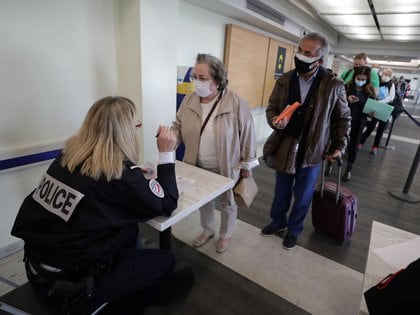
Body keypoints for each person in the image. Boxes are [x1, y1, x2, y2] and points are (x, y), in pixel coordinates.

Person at [11, 96, 193, 314]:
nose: (138, 128)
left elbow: (97, 198)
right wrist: (166, 153)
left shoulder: (67, 158)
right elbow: (167, 203)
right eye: (135, 123)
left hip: (38, 268)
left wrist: (133, 182)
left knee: (129, 230)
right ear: (124, 132)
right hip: (73, 286)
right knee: (165, 261)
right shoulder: (118, 176)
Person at [261, 32, 351, 249]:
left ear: (319, 59)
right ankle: (278, 222)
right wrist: (274, 120)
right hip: (285, 145)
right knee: (281, 191)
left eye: (307, 53)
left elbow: (343, 118)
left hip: (313, 150)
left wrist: (339, 146)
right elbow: (272, 107)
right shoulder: (285, 79)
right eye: (300, 50)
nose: (301, 55)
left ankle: (294, 230)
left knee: (302, 197)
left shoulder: (333, 85)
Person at [172, 53, 258, 254]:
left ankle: (225, 235)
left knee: (228, 201)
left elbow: (247, 136)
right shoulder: (189, 99)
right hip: (196, 163)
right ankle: (208, 230)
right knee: (204, 201)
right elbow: (177, 125)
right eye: (194, 76)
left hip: (226, 164)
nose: (196, 82)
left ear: (217, 81)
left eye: (202, 78)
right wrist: (171, 139)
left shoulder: (236, 102)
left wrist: (247, 168)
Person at [342, 66, 376, 182]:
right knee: (338, 142)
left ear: (367, 79)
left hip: (359, 122)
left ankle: (349, 169)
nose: (360, 81)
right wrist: (347, 99)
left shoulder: (369, 92)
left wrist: (372, 113)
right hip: (343, 121)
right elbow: (337, 102)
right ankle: (330, 165)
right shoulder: (346, 87)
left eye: (363, 79)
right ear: (354, 76)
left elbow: (372, 108)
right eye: (358, 78)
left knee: (353, 146)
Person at [358, 68, 395, 155]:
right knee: (370, 127)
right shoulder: (377, 82)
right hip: (375, 105)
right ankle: (360, 143)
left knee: (380, 130)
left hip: (385, 108)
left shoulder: (390, 85)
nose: (386, 76)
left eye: (388, 75)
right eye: (385, 74)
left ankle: (375, 147)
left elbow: (391, 97)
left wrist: (381, 101)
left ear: (390, 77)